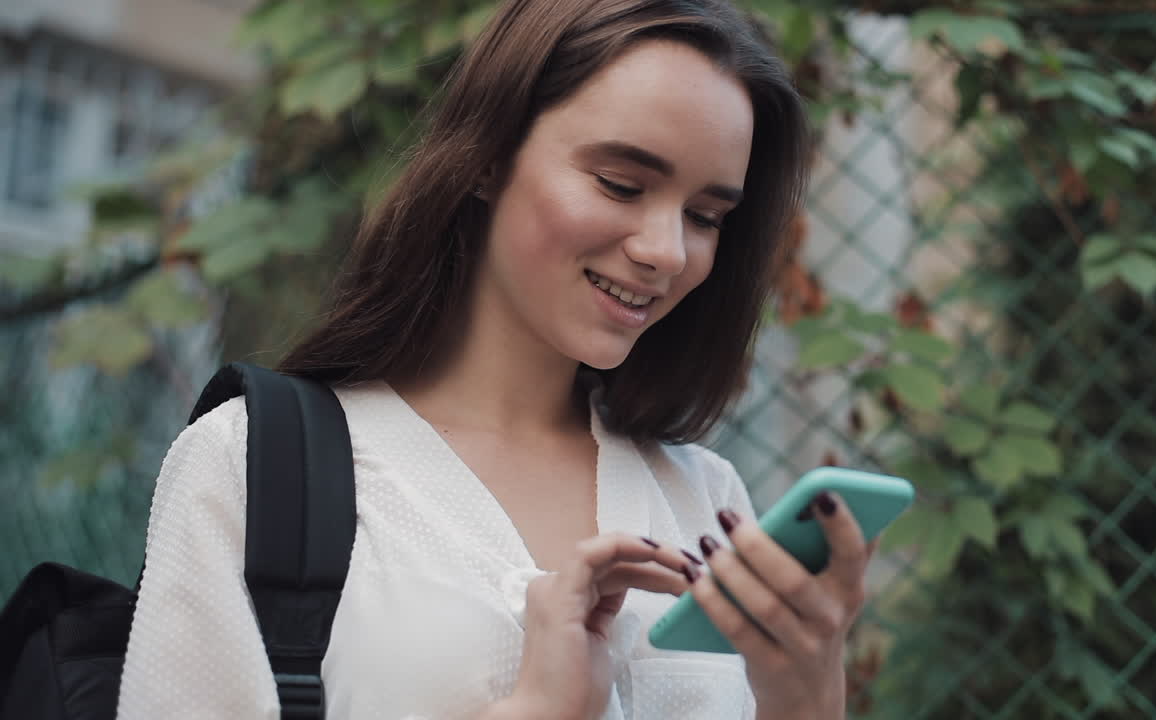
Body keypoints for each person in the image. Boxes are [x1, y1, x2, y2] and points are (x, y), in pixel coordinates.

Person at [117, 0, 878, 717]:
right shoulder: (250, 465)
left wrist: (807, 697)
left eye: (706, 217)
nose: (666, 251)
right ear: (485, 158)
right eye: (620, 184)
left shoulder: (703, 498)